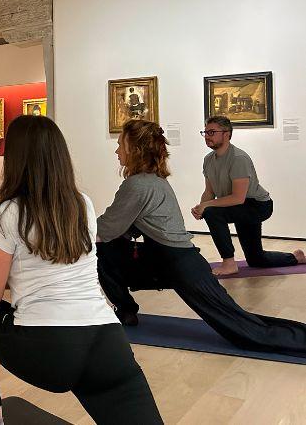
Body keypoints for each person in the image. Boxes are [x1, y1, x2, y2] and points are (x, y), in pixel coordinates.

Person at [0, 115, 162, 425]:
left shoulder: (9, 211)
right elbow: (47, 275)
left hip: (48, 350)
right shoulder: (82, 204)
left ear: (14, 158)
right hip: (107, 343)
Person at [96, 119, 306, 358]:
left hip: (181, 266)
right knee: (105, 252)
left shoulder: (137, 185)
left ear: (134, 149)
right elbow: (120, 230)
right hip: (164, 260)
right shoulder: (153, 180)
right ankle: (125, 310)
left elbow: (104, 230)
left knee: (246, 332)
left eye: (120, 144)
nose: (116, 151)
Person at [192, 115, 305, 275]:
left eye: (212, 132)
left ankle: (229, 263)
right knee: (255, 259)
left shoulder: (238, 158)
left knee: (212, 213)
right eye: (205, 132)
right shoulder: (208, 160)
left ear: (227, 134)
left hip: (257, 205)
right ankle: (296, 258)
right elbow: (209, 192)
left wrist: (206, 207)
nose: (207, 137)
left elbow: (238, 197)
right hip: (238, 206)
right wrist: (200, 206)